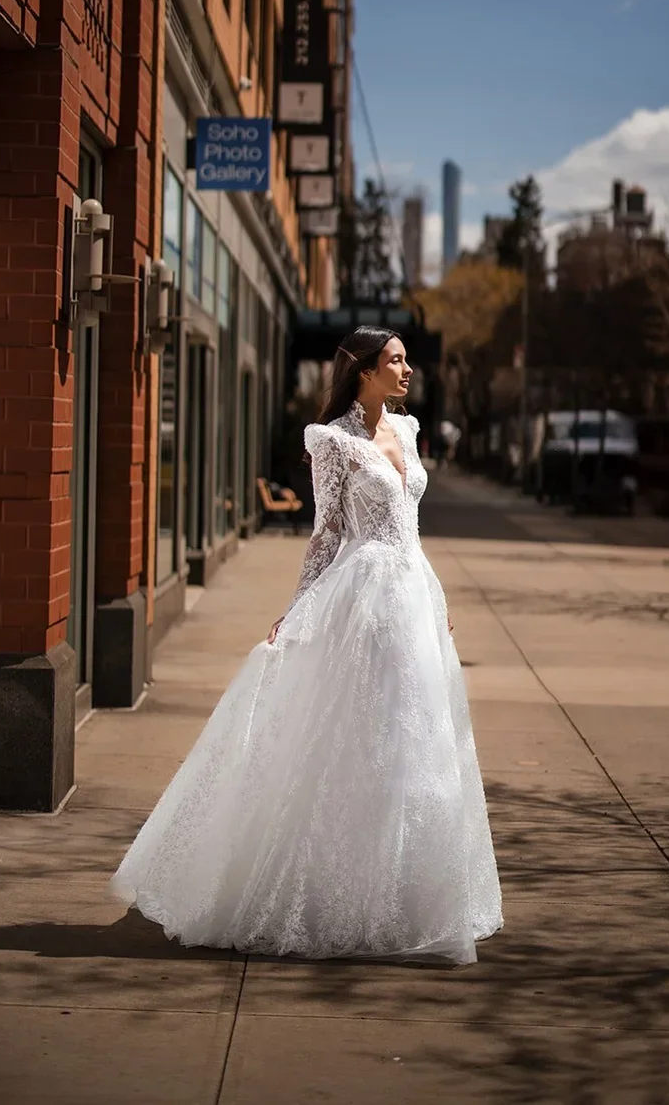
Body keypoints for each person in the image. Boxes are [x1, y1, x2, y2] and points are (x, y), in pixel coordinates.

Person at [110, 325, 503, 965]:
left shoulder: (405, 431)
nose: (408, 372)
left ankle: (402, 898)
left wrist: (437, 600)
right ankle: (322, 893)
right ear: (364, 372)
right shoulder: (332, 444)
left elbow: (412, 528)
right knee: (352, 741)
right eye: (396, 362)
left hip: (411, 599)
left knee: (413, 746)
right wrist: (295, 610)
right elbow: (324, 537)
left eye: (407, 362)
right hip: (363, 600)